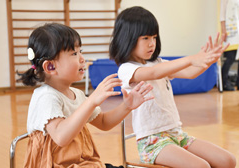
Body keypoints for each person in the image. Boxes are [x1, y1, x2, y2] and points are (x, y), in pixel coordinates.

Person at [109, 6, 236, 168]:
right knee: (201, 166)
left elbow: (190, 72)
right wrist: (192, 58)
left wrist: (207, 60)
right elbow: (153, 73)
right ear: (128, 39)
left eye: (154, 37)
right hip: (152, 143)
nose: (152, 43)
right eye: (146, 38)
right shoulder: (127, 69)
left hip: (177, 135)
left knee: (228, 160)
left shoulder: (158, 62)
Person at [17, 23, 154, 168]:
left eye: (80, 51)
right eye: (74, 54)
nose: (82, 58)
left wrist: (127, 106)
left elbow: (103, 122)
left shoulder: (77, 94)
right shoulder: (46, 96)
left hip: (81, 162)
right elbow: (61, 137)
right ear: (50, 67)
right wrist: (92, 101)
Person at [220, 0, 239, 91]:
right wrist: (223, 31)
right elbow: (222, 16)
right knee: (230, 58)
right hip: (230, 32)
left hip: (237, 30)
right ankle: (224, 83)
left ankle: (238, 83)